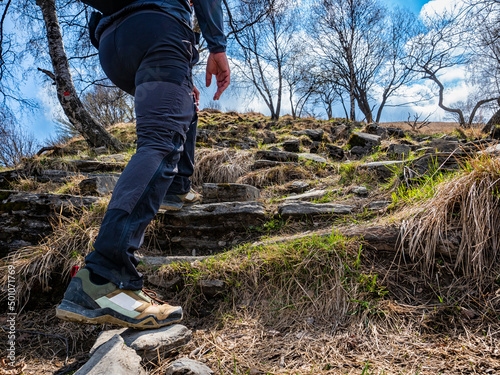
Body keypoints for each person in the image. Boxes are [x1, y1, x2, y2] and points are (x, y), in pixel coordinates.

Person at [55, 0, 230, 329]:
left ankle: (177, 188)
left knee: (182, 101)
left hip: (112, 44)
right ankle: (103, 276)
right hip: (159, 29)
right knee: (160, 141)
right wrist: (217, 47)